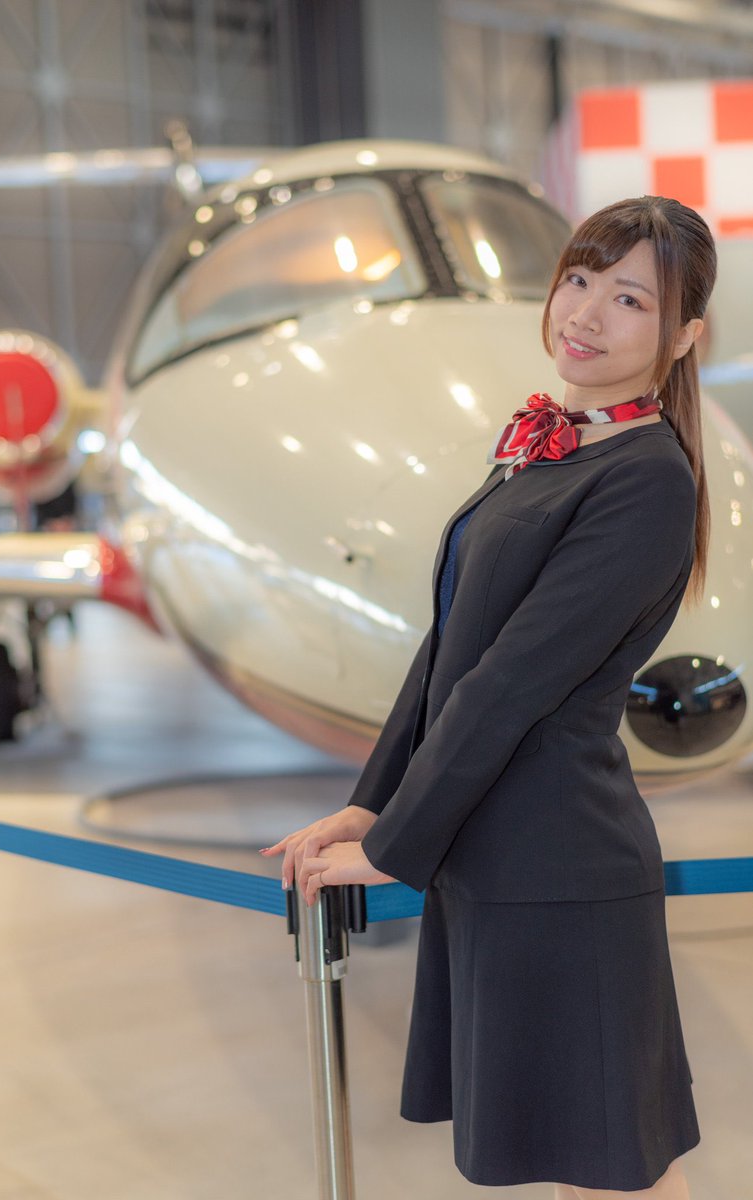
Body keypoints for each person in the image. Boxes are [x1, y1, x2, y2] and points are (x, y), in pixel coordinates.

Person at [262, 195, 716, 1198]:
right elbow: (450, 649)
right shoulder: (550, 449)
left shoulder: (646, 478)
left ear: (683, 336)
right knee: (579, 1163)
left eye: (629, 299)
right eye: (579, 279)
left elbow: (513, 681)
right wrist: (374, 805)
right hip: (496, 860)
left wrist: (394, 848)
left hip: (563, 872)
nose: (585, 312)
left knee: (614, 1173)